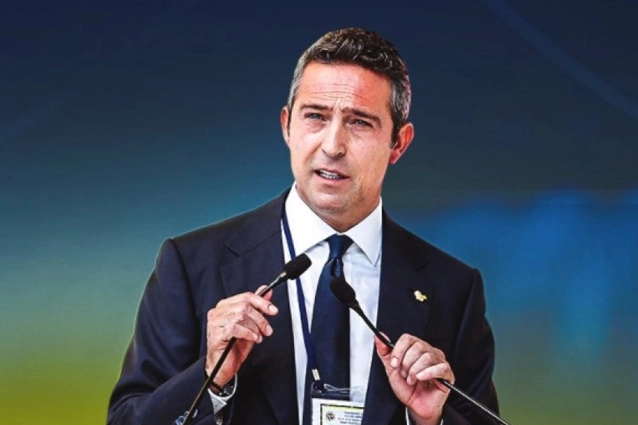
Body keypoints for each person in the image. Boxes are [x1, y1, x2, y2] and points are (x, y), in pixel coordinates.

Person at [107, 27, 499, 425]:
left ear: (398, 143)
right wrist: (210, 380)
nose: (332, 146)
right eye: (315, 116)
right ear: (287, 126)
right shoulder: (192, 265)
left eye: (359, 122)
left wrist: (431, 421)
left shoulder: (453, 289)